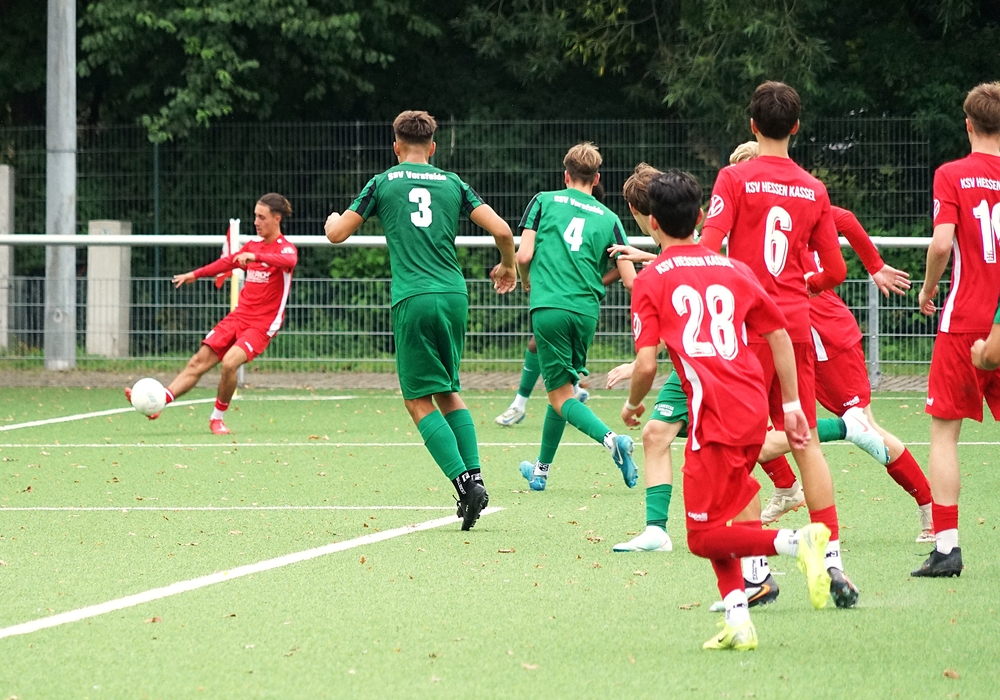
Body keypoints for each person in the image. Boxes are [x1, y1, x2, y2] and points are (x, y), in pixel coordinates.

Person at [624, 169, 831, 651]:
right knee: (723, 519)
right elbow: (778, 333)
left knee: (701, 537)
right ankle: (739, 620)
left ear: (652, 223)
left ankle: (796, 542)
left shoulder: (650, 278)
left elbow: (646, 363)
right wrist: (791, 404)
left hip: (714, 415)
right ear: (701, 216)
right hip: (751, 401)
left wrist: (633, 405)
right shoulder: (735, 269)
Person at [723, 141, 933, 543]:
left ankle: (930, 508)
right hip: (780, 336)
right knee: (759, 425)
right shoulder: (747, 216)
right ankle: (786, 490)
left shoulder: (797, 203)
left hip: (824, 334)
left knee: (863, 428)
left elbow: (845, 221)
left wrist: (874, 266)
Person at [699, 81, 859, 608]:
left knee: (739, 449)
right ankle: (833, 561)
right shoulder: (813, 188)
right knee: (805, 439)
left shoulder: (734, 177)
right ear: (796, 127)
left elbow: (709, 247)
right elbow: (834, 270)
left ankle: (757, 573)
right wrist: (806, 285)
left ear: (752, 125)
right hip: (793, 327)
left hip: (746, 332)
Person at [323, 110, 517, 531]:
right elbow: (503, 231)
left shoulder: (383, 182)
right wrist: (509, 267)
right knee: (447, 390)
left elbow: (337, 234)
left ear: (395, 146)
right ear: (433, 147)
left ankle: (464, 485)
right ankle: (476, 479)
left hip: (414, 297)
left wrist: (332, 220)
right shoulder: (452, 183)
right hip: (454, 295)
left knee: (417, 400)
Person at [515, 142, 639, 492]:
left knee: (560, 396)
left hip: (550, 308)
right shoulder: (610, 219)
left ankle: (612, 440)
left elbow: (523, 256)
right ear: (596, 179)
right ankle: (540, 471)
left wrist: (526, 282)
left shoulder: (543, 201)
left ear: (565, 174)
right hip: (585, 313)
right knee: (563, 390)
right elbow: (630, 280)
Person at [913, 82, 1000, 577]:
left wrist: (927, 291)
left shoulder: (952, 174)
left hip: (965, 322)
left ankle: (947, 548)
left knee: (945, 434)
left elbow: (942, 244)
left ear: (967, 125)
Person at [124, 193, 298, 435]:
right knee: (198, 362)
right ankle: (160, 401)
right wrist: (195, 274)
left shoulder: (284, 248)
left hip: (262, 325)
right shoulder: (252, 245)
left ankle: (217, 418)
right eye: (255, 216)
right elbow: (226, 263)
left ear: (277, 218)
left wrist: (256, 257)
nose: (256, 222)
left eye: (262, 217)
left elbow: (289, 260)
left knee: (229, 363)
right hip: (238, 317)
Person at [493, 184, 614, 427]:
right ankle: (539, 403)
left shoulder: (595, 220)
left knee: (555, 377)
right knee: (539, 347)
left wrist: (594, 283)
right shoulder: (573, 217)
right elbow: (539, 252)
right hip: (570, 303)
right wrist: (508, 265)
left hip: (570, 301)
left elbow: (622, 265)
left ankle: (607, 436)